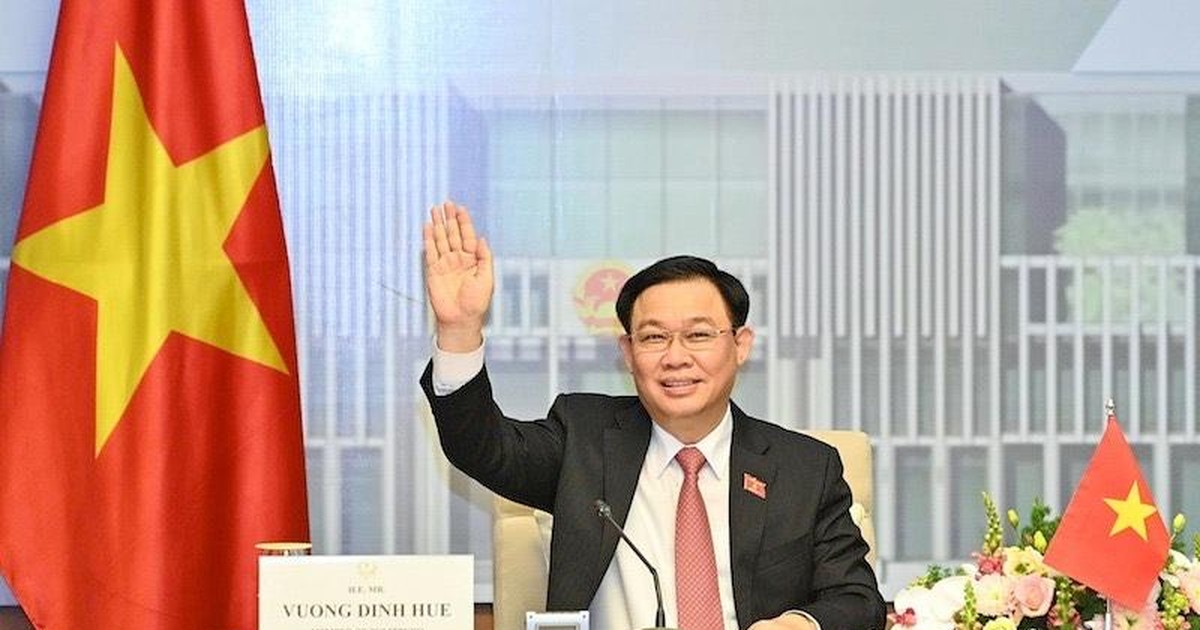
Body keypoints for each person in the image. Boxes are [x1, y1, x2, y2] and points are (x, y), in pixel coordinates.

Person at [420, 201, 885, 630]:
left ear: (740, 345)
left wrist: (797, 624)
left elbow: (857, 599)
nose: (675, 357)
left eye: (699, 335)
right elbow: (481, 447)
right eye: (654, 338)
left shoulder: (805, 468)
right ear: (628, 352)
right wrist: (459, 331)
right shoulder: (583, 440)